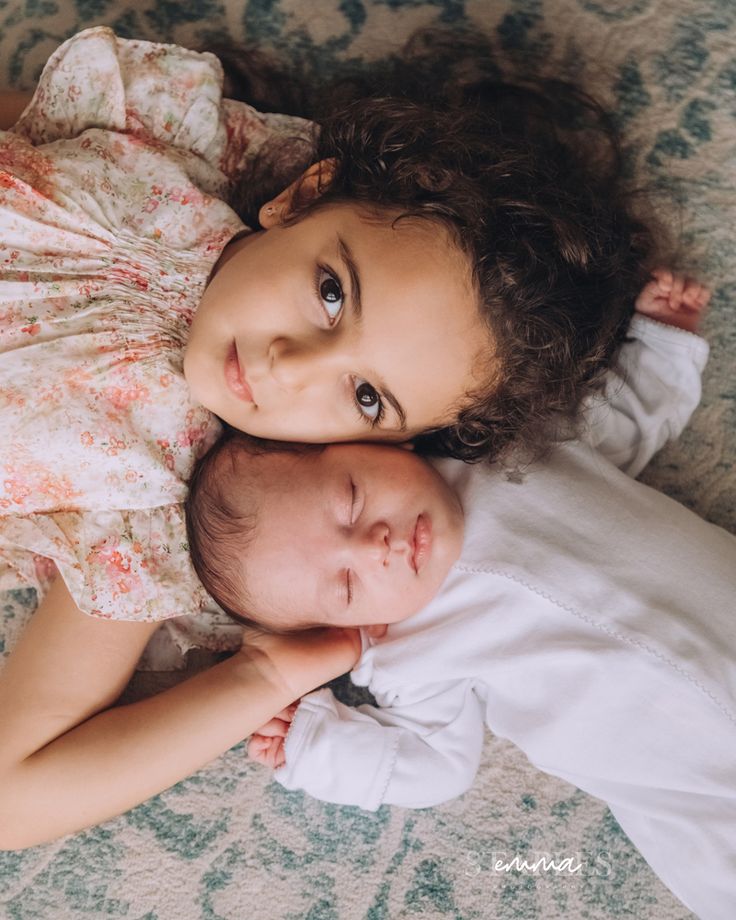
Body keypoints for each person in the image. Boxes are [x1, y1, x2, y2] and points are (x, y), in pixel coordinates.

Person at [0, 23, 675, 847]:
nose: (289, 363)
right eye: (330, 293)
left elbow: (13, 797)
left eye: (363, 395)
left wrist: (266, 674)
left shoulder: (144, 498)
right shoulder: (167, 153)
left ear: (383, 448)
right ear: (301, 198)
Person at [200, 282, 733, 920]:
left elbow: (621, 424)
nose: (375, 546)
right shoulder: (402, 650)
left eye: (350, 499)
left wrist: (662, 343)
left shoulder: (507, 447)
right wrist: (318, 748)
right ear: (347, 620)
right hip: (700, 792)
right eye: (345, 585)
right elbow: (432, 767)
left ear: (365, 442)